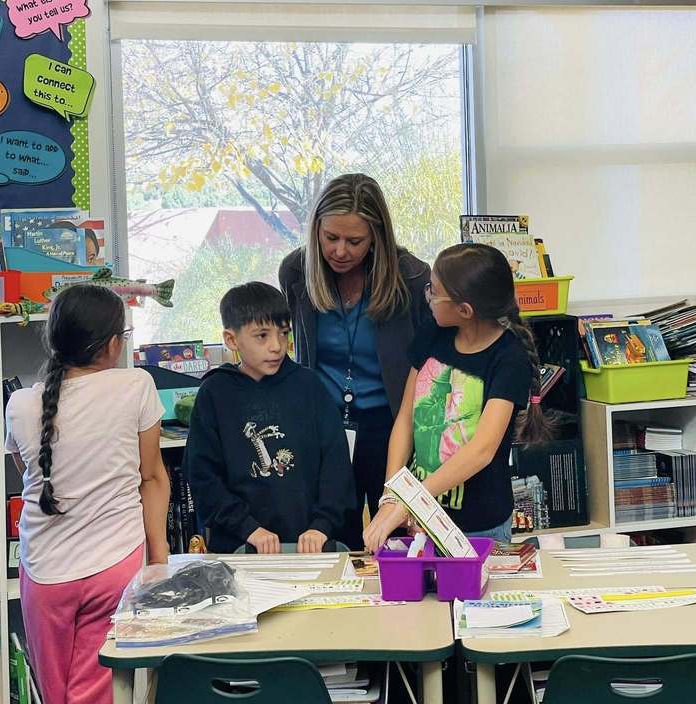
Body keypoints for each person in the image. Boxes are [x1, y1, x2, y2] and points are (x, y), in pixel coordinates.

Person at [4, 285, 170, 704]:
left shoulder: (21, 405)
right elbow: (153, 476)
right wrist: (157, 557)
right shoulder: (135, 386)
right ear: (111, 344)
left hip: (44, 571)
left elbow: (29, 473)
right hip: (114, 565)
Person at [363, 243, 551, 552]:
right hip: (419, 519)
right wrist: (391, 496)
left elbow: (482, 450)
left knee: (471, 600)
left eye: (434, 292)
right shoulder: (433, 333)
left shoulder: (508, 358)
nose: (428, 298)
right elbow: (406, 420)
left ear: (464, 310)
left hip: (480, 526)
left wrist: (408, 501)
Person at [279, 173, 430, 528]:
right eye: (331, 237)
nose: (340, 251)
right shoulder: (295, 272)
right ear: (316, 228)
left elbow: (430, 364)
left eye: (355, 240)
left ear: (377, 237)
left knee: (393, 531)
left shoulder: (412, 277)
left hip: (390, 427)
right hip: (326, 425)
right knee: (331, 529)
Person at [185, 282, 356, 554]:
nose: (277, 346)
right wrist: (248, 528)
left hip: (312, 547)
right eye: (262, 336)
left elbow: (336, 466)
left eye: (283, 333)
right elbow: (203, 478)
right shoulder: (214, 393)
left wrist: (322, 525)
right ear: (231, 340)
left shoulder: (309, 386)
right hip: (240, 548)